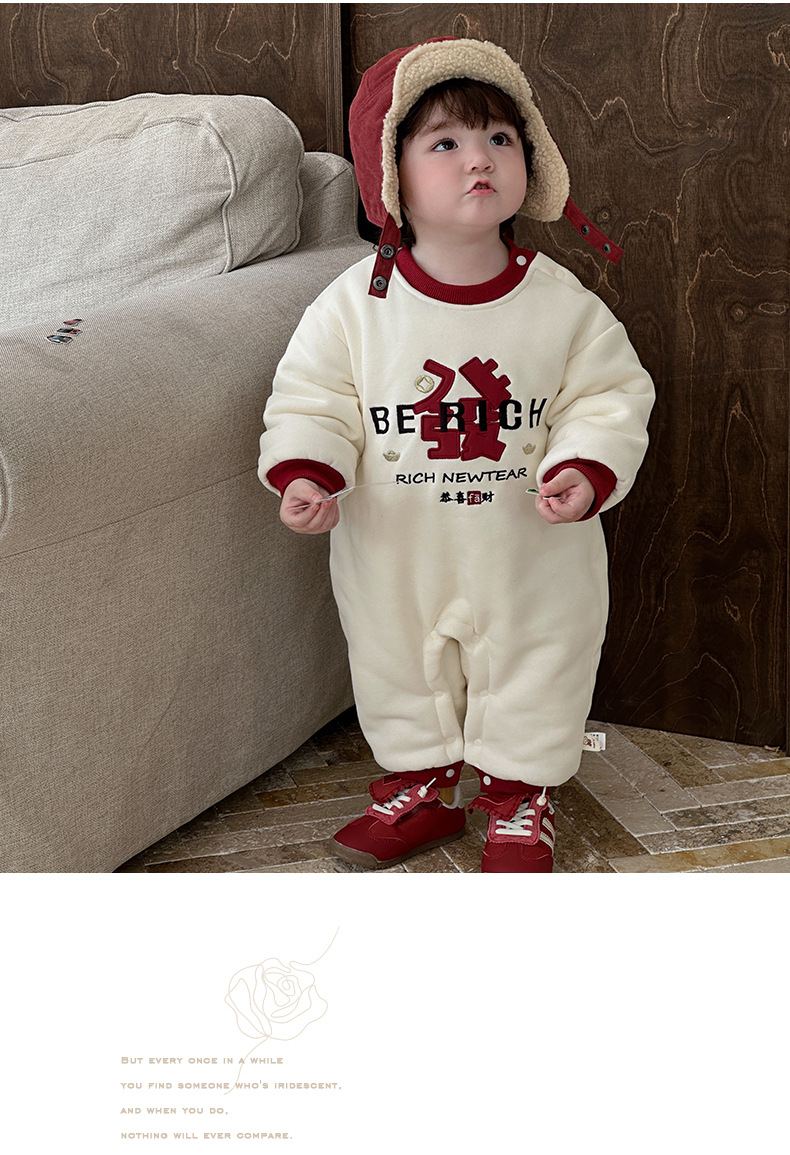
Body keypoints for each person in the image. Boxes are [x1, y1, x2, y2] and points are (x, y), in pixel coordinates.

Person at [258, 38, 655, 873]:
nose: (479, 159)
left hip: (532, 551)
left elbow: (608, 397)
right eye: (445, 142)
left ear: (530, 159)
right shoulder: (353, 309)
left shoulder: (561, 305)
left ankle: (520, 800)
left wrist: (584, 466)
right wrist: (309, 470)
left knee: (537, 661)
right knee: (398, 663)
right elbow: (313, 397)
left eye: (500, 139)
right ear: (391, 173)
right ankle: (423, 791)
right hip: (396, 546)